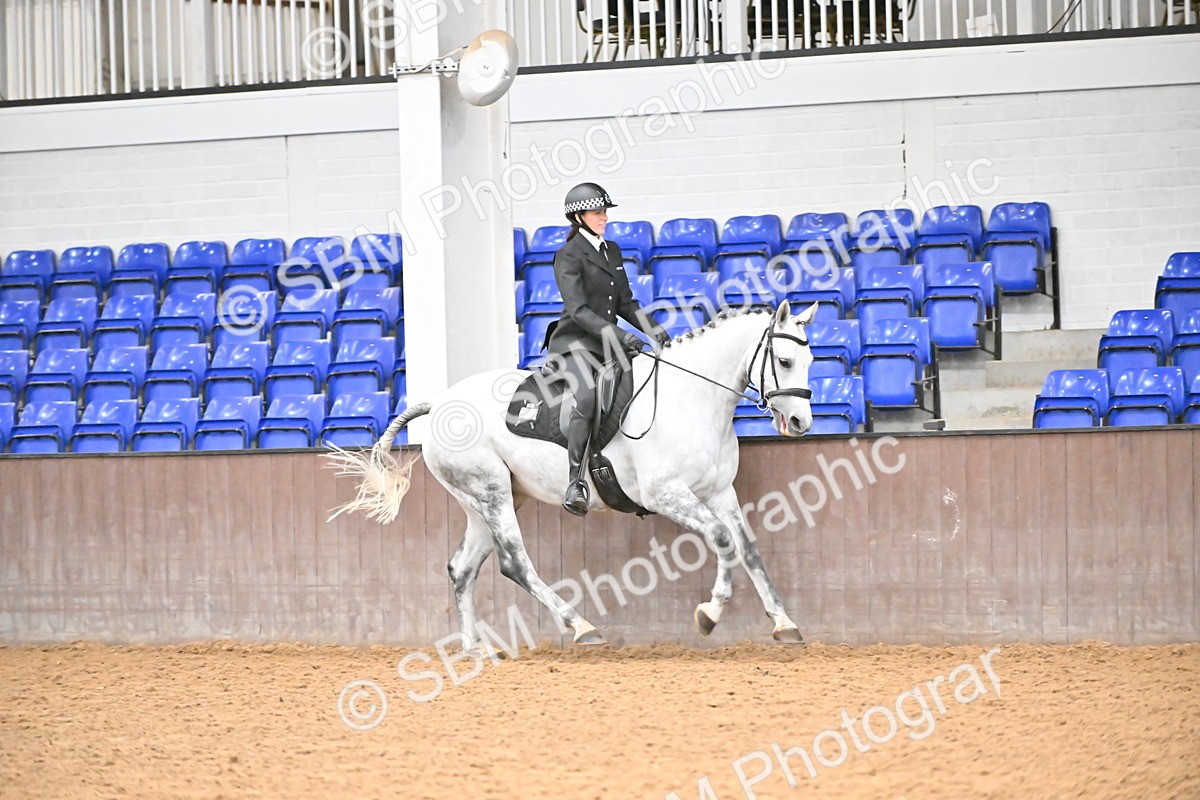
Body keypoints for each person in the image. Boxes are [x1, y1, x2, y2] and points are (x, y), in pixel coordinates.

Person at [543, 182, 670, 517]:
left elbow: (626, 302)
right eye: (598, 212)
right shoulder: (567, 256)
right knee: (586, 398)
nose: (604, 217)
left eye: (604, 212)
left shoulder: (610, 250)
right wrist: (620, 336)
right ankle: (575, 481)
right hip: (576, 344)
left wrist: (656, 332)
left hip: (608, 343)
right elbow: (578, 311)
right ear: (579, 216)